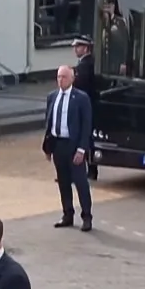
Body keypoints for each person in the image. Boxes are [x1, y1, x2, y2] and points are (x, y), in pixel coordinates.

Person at [42, 65, 93, 232]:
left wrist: (81, 149)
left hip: (74, 146)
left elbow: (86, 125)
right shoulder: (52, 97)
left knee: (80, 182)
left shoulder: (81, 98)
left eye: (64, 77)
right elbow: (48, 122)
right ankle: (67, 214)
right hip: (58, 144)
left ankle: (86, 216)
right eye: (58, 77)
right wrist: (48, 147)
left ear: (72, 78)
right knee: (63, 182)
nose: (60, 80)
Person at [70, 36, 99, 181]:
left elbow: (79, 86)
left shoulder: (85, 66)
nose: (75, 49)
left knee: (82, 138)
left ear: (86, 48)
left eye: (78, 46)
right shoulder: (86, 64)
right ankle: (90, 169)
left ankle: (88, 169)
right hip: (87, 105)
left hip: (83, 106)